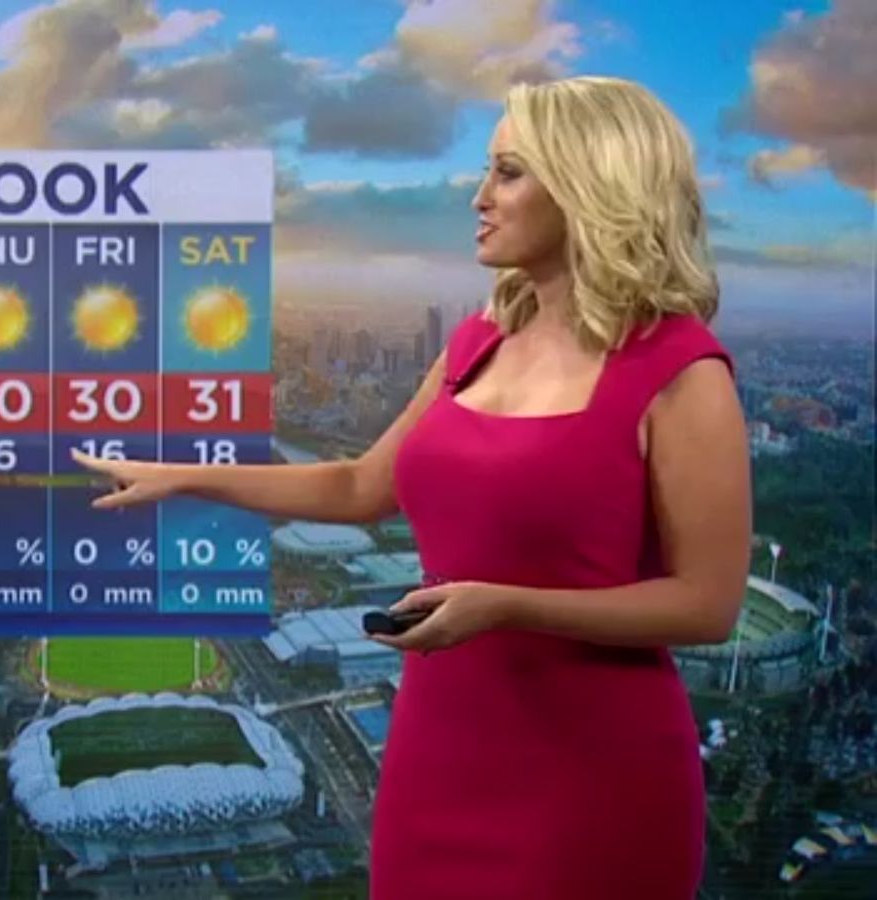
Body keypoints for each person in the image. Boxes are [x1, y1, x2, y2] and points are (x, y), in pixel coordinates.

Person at [71, 75, 751, 899]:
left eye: (507, 172)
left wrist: (506, 606)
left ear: (591, 185)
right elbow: (361, 485)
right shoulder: (479, 343)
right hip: (438, 753)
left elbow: (707, 604)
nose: (478, 197)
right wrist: (185, 474)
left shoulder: (680, 369)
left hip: (592, 779)